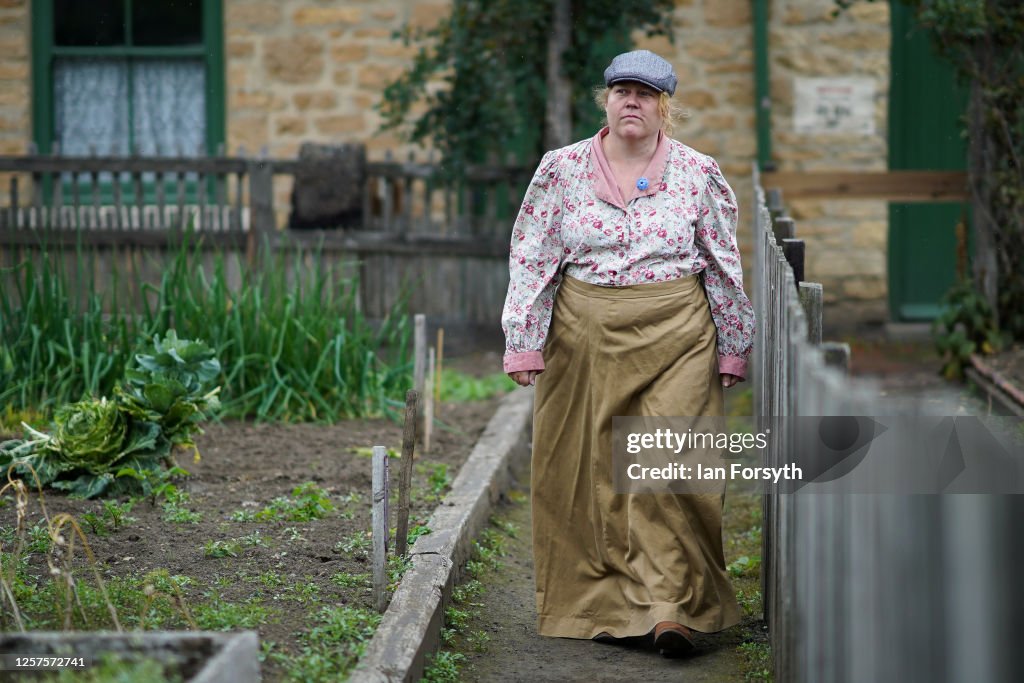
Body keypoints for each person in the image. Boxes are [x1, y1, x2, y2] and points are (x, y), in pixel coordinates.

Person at [500, 49, 755, 656]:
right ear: (606, 100)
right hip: (583, 334)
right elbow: (533, 257)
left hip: (678, 334)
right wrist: (523, 339)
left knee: (667, 468)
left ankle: (672, 608)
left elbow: (723, 264)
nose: (631, 102)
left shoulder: (698, 173)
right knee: (588, 476)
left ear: (665, 107)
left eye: (645, 94)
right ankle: (606, 605)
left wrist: (733, 346)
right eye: (621, 91)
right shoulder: (560, 170)